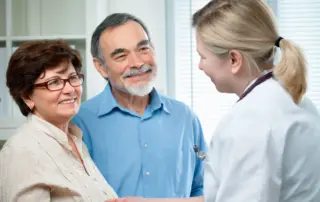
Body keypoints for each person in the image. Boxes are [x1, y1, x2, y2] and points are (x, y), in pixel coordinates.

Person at [107, 0, 320, 202]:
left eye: (203, 56)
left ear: (234, 60)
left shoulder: (249, 122)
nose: (200, 66)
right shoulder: (295, 100)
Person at [71, 13, 207, 199]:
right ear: (101, 67)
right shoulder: (79, 123)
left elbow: (203, 189)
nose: (137, 63)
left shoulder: (185, 117)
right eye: (121, 56)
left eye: (143, 49)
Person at [0, 40, 118, 201]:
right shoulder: (21, 153)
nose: (70, 89)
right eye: (54, 82)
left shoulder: (76, 140)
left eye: (73, 77)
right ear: (27, 96)